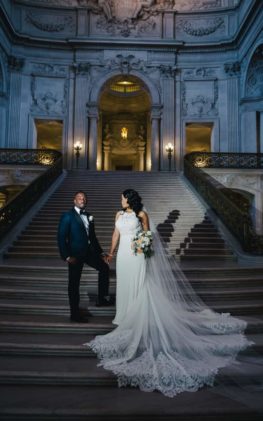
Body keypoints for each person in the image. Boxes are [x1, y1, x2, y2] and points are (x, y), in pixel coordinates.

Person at [85, 189, 253, 397]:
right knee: (124, 284)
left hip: (136, 255)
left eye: (122, 197)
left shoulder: (141, 214)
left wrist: (141, 249)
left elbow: (148, 234)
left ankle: (136, 316)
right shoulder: (119, 215)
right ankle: (125, 315)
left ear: (130, 199)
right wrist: (111, 252)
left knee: (138, 284)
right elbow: (116, 233)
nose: (120, 199)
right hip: (122, 256)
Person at [58, 190, 112, 323]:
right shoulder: (67, 216)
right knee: (74, 284)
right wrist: (67, 256)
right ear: (74, 200)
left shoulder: (89, 216)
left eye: (84, 198)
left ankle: (102, 299)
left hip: (89, 253)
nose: (82, 199)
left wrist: (100, 253)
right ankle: (74, 314)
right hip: (75, 255)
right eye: (79, 198)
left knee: (104, 268)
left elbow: (92, 237)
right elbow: (61, 238)